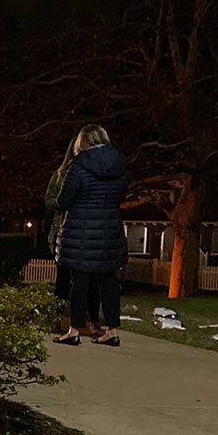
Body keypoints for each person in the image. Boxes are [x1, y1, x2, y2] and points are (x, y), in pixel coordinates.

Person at [53, 124, 129, 347]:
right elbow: (121, 194)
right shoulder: (120, 165)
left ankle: (74, 330)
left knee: (79, 283)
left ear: (82, 142)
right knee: (109, 282)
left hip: (81, 231)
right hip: (110, 230)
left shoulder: (79, 165)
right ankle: (112, 330)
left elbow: (63, 201)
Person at [44, 141, 100, 331]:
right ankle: (56, 319)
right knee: (63, 280)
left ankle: (92, 320)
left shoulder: (97, 173)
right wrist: (63, 202)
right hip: (66, 233)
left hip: (88, 233)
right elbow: (49, 200)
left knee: (91, 281)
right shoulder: (61, 174)